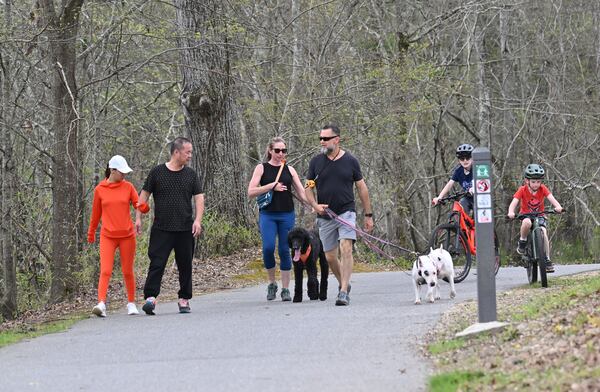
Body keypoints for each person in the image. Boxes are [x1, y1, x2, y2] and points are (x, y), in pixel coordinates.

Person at [305, 124, 373, 306]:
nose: (322, 142)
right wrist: (314, 205)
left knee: (346, 247)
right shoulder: (316, 162)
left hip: (346, 212)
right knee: (329, 257)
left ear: (336, 139)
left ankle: (343, 291)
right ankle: (344, 283)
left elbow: (361, 188)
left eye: (325, 138)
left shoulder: (351, 161)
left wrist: (368, 214)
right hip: (325, 215)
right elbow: (308, 188)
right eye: (320, 138)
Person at [135, 137, 204, 315]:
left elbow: (199, 198)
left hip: (184, 228)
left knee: (185, 264)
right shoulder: (157, 173)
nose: (190, 156)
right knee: (157, 263)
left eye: (191, 152)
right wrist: (138, 218)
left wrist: (197, 220)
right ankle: (151, 298)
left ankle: (184, 299)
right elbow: (143, 196)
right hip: (162, 228)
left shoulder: (191, 175)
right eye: (187, 152)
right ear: (176, 152)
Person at [88, 155, 149, 317]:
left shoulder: (128, 187)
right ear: (112, 171)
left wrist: (142, 207)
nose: (124, 175)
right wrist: (91, 231)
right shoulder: (100, 189)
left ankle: (131, 303)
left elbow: (137, 203)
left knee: (127, 271)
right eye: (121, 172)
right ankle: (101, 304)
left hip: (127, 236)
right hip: (108, 236)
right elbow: (95, 214)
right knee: (105, 270)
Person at [247, 137, 307, 301]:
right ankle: (272, 283)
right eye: (277, 150)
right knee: (267, 248)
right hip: (268, 214)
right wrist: (271, 186)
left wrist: (315, 206)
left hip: (286, 214)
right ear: (270, 151)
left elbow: (302, 193)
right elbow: (251, 191)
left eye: (284, 150)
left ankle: (286, 289)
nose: (281, 154)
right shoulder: (261, 168)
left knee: (284, 250)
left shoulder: (290, 170)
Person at [507, 164, 563, 272]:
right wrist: (511, 212)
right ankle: (522, 241)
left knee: (543, 232)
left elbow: (552, 199)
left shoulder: (543, 189)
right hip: (525, 215)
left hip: (540, 215)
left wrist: (558, 207)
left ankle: (546, 259)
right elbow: (514, 203)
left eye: (538, 181)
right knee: (527, 223)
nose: (536, 184)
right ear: (527, 181)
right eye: (533, 182)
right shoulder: (522, 190)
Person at [432, 143, 475, 215]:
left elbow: (483, 181)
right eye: (462, 159)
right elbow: (449, 184)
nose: (465, 161)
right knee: (461, 206)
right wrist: (440, 197)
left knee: (479, 217)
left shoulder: (477, 169)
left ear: (472, 158)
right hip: (468, 198)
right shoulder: (458, 171)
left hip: (479, 198)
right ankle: (461, 226)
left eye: (467, 158)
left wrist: (475, 188)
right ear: (459, 160)